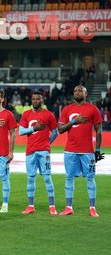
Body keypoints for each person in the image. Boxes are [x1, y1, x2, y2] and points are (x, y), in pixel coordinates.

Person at [58, 85, 103, 217]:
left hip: (88, 151)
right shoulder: (67, 109)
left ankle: (92, 208)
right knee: (69, 178)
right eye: (75, 90)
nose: (77, 92)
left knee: (90, 178)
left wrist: (98, 149)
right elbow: (60, 130)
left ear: (86, 93)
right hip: (70, 151)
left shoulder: (92, 109)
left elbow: (99, 130)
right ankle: (68, 208)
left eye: (80, 90)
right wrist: (73, 121)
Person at [18, 91, 58, 215]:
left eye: (37, 99)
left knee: (47, 177)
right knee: (30, 178)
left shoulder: (49, 115)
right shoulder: (26, 114)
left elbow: (55, 132)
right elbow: (21, 131)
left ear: (42, 100)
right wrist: (34, 128)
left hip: (43, 152)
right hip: (30, 151)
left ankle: (52, 206)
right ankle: (30, 206)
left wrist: (47, 143)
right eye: (33, 99)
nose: (35, 101)